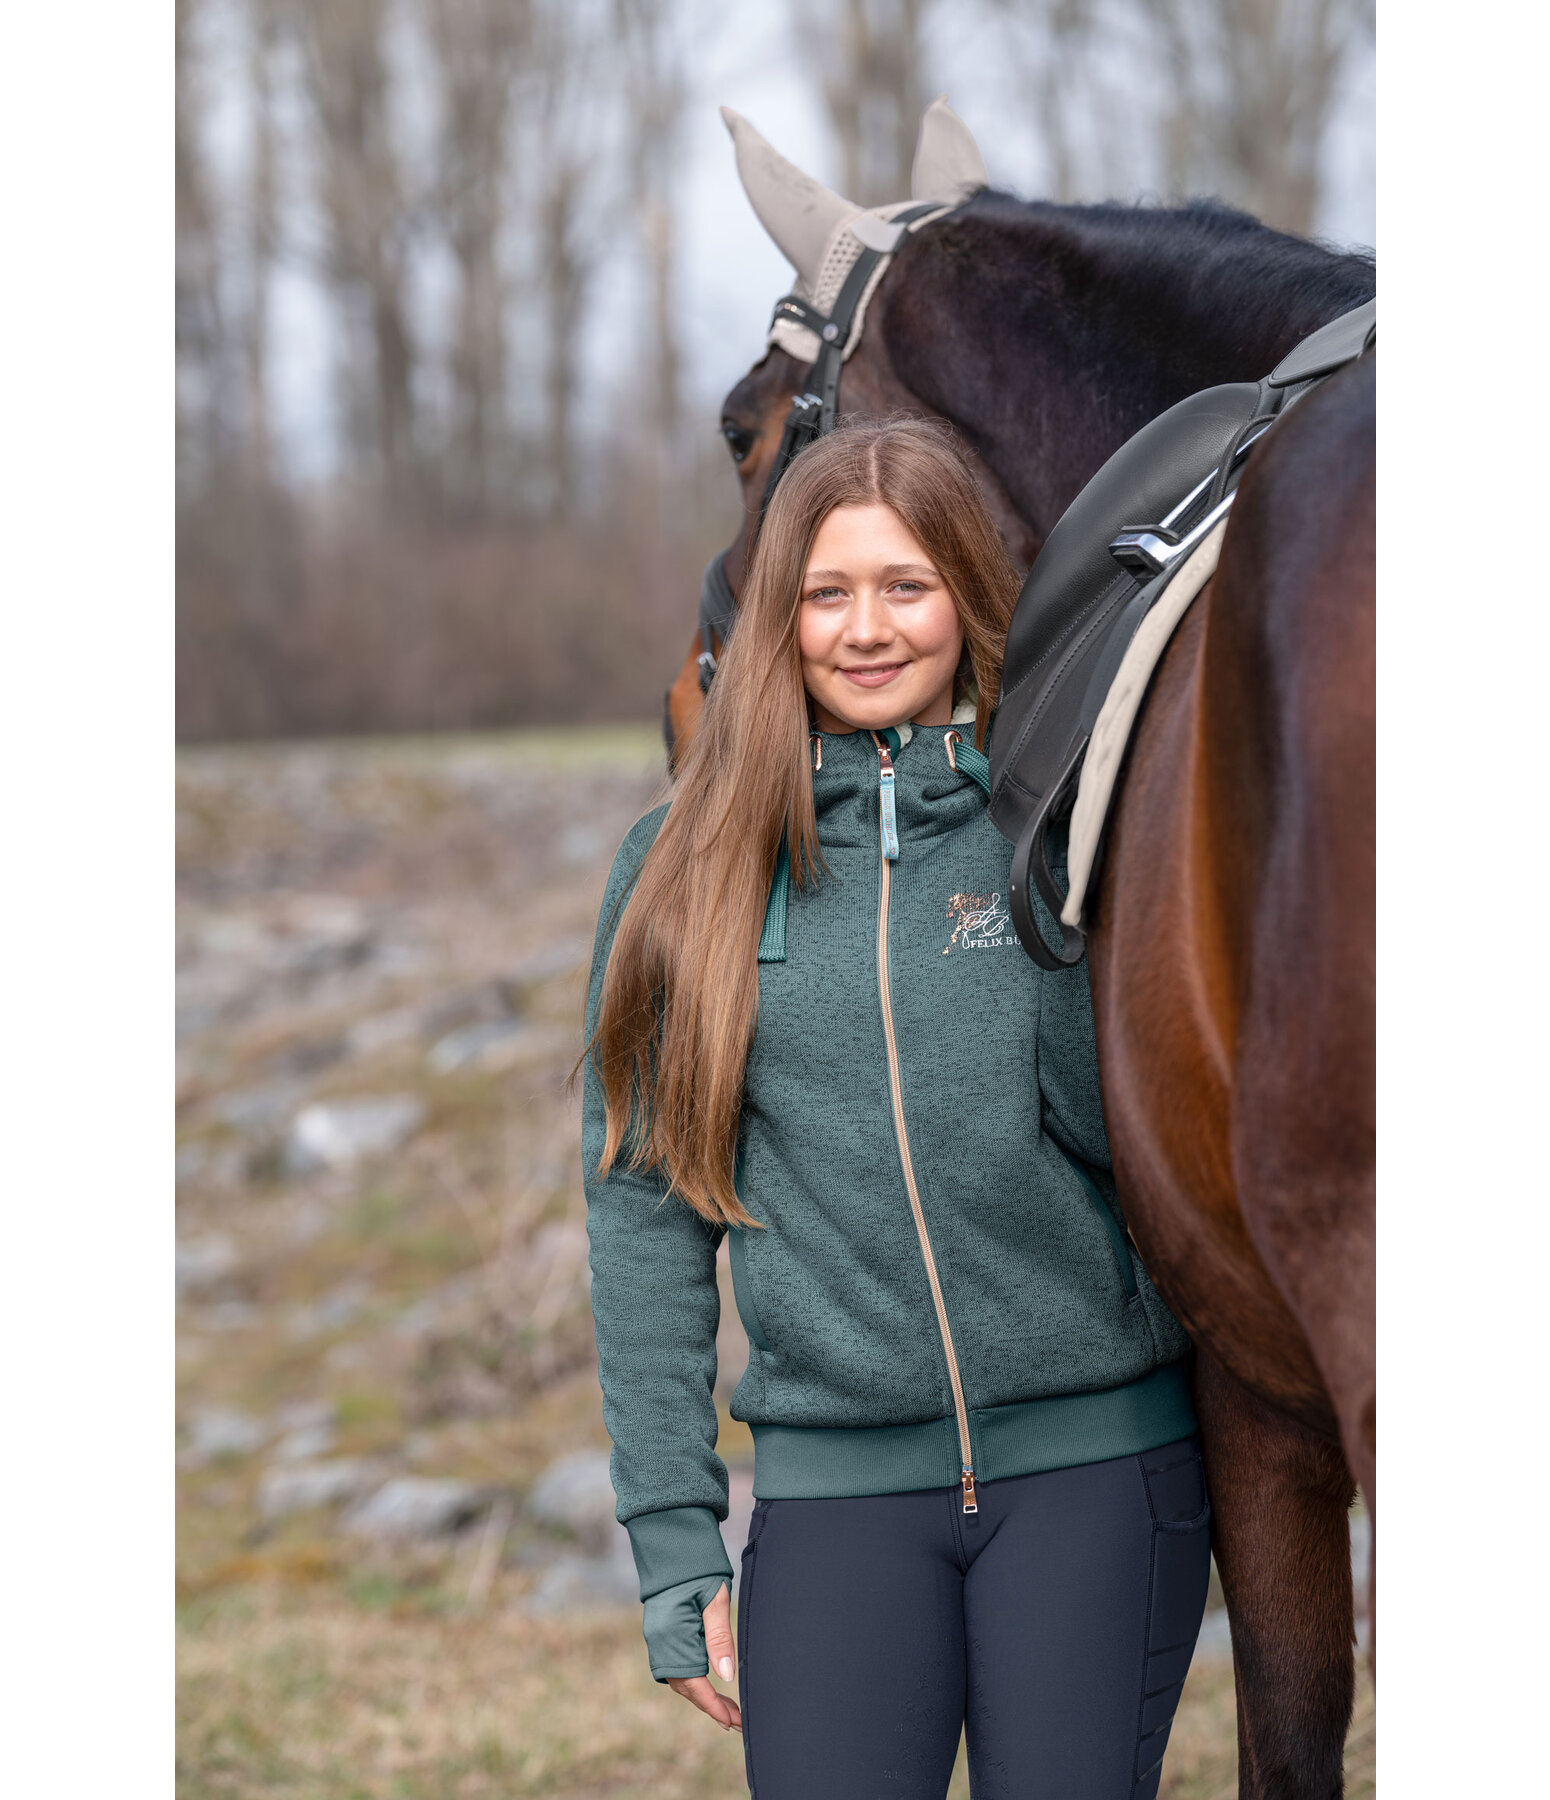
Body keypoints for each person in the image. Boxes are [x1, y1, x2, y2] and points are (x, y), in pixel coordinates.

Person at [580, 419, 1209, 1799]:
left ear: (970, 593)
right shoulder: (682, 868)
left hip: (1095, 1475)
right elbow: (643, 1221)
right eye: (827, 592)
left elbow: (1145, 1147)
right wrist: (676, 1539)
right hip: (834, 1498)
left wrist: (1045, 859)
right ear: (778, 616)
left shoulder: (1069, 830)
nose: (865, 629)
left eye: (905, 585)